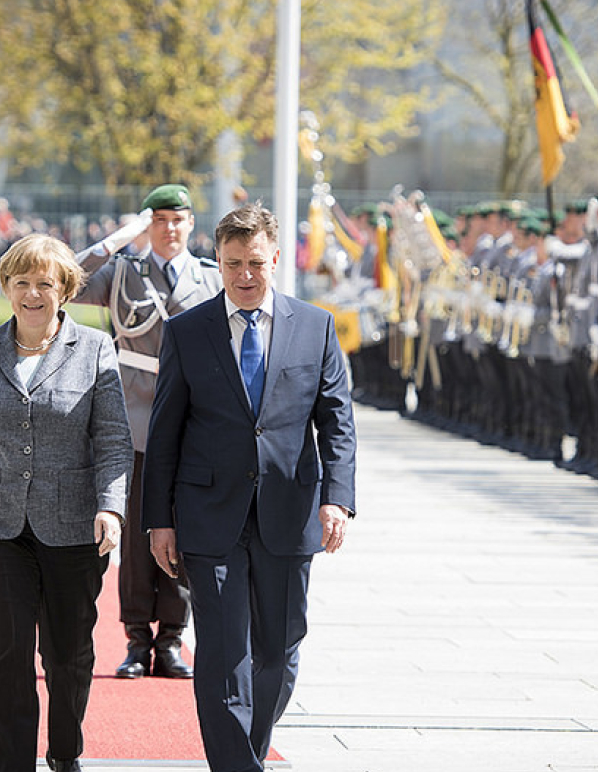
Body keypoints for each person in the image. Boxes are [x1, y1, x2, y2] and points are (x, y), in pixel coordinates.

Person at [143, 204, 357, 772]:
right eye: (233, 263)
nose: (244, 275)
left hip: (290, 512)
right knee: (221, 653)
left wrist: (337, 499)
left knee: (279, 652)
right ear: (217, 261)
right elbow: (164, 431)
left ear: (276, 259)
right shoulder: (188, 332)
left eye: (255, 263)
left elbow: (337, 421)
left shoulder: (316, 326)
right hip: (208, 515)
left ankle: (248, 754)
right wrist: (158, 519)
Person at [0, 233, 133, 772]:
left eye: (45, 283)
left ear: (65, 289)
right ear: (5, 288)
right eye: (22, 283)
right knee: (9, 651)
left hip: (74, 528)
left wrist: (112, 507)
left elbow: (111, 439)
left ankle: (65, 752)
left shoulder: (96, 348)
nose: (33, 294)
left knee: (67, 655)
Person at [73, 184, 222, 681]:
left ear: (191, 225)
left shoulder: (209, 278)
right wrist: (119, 239)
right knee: (136, 534)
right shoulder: (122, 273)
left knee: (183, 530)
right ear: (147, 225)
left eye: (178, 220)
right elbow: (66, 280)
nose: (169, 229)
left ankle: (173, 640)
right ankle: (137, 639)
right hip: (134, 417)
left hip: (191, 421)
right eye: (158, 220)